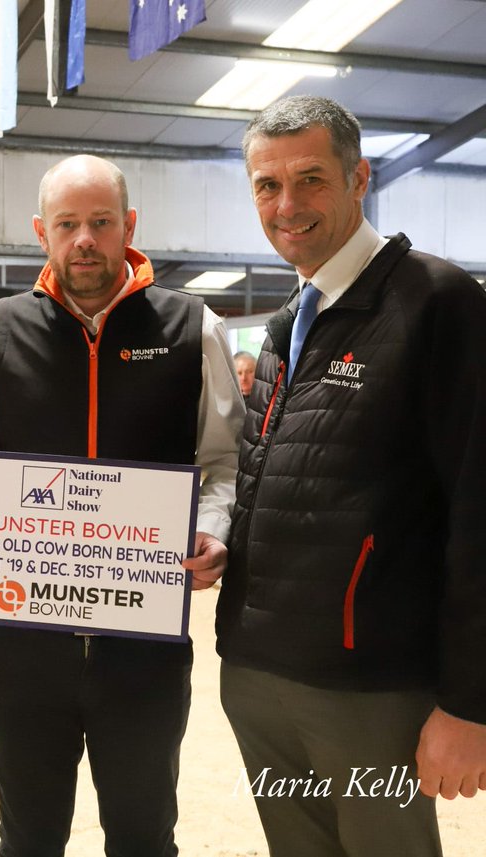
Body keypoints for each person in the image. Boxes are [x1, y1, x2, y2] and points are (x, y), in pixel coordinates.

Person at [0, 154, 244, 857]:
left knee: (143, 836)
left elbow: (222, 461)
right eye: (68, 224)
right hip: (23, 646)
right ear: (42, 231)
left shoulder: (196, 329)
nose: (85, 240)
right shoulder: (0, 329)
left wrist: (214, 530)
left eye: (101, 222)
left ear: (130, 225)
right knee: (29, 838)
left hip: (145, 649)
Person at [215, 94, 486, 857]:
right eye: (267, 185)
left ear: (359, 176)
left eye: (310, 179)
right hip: (259, 675)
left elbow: (479, 511)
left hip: (370, 691)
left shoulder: (438, 304)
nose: (287, 204)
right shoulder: (283, 326)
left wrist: (471, 702)